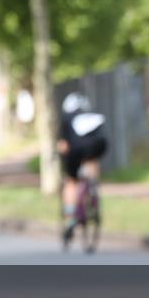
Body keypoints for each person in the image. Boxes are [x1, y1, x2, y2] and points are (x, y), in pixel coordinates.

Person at [56, 92, 107, 244]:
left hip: (76, 148)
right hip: (99, 145)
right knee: (91, 159)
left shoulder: (66, 118)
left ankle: (71, 217)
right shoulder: (92, 114)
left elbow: (64, 146)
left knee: (71, 181)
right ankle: (92, 187)